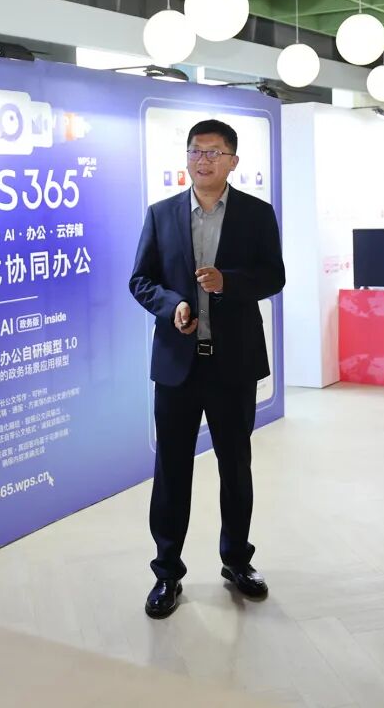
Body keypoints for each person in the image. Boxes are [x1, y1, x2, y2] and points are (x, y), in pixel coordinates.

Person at [129, 119, 285, 619]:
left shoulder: (257, 214)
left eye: (214, 152)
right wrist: (171, 305)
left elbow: (273, 276)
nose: (203, 160)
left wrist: (227, 283)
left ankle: (237, 561)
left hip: (232, 365)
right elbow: (140, 280)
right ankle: (167, 572)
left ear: (233, 161)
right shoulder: (161, 214)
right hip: (177, 367)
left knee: (235, 467)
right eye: (195, 150)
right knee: (171, 472)